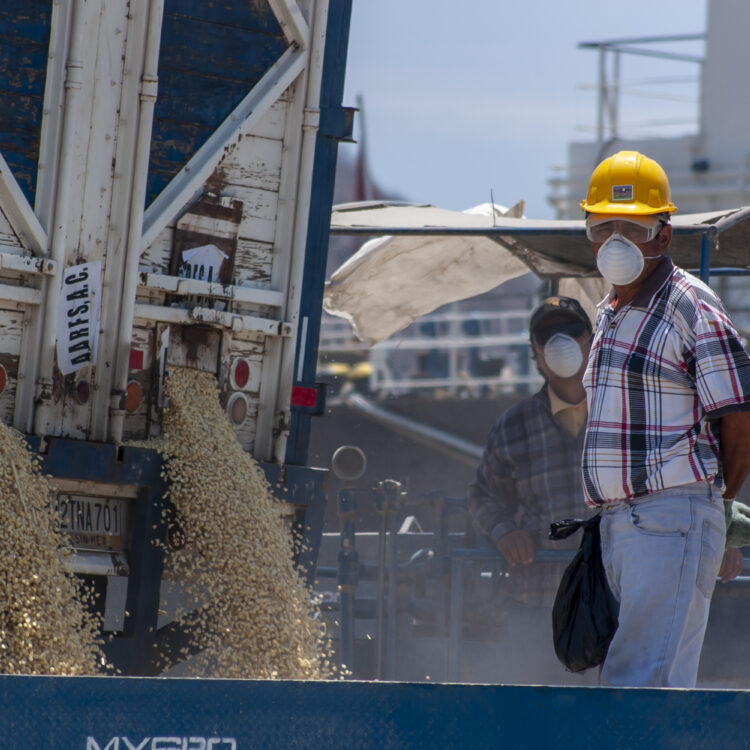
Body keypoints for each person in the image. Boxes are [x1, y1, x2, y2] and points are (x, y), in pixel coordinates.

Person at [580, 150, 750, 688]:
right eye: (602, 227)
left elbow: (739, 420)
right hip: (622, 523)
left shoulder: (690, 306)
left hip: (670, 517)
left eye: (630, 227)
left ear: (663, 235)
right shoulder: (611, 312)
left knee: (639, 682)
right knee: (648, 685)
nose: (614, 241)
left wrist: (714, 510)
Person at [467, 295, 596, 685]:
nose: (561, 342)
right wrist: (505, 531)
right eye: (547, 335)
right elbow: (483, 496)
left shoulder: (624, 413)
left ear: (593, 340)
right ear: (536, 354)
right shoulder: (513, 427)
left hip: (613, 605)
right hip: (535, 607)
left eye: (572, 331)